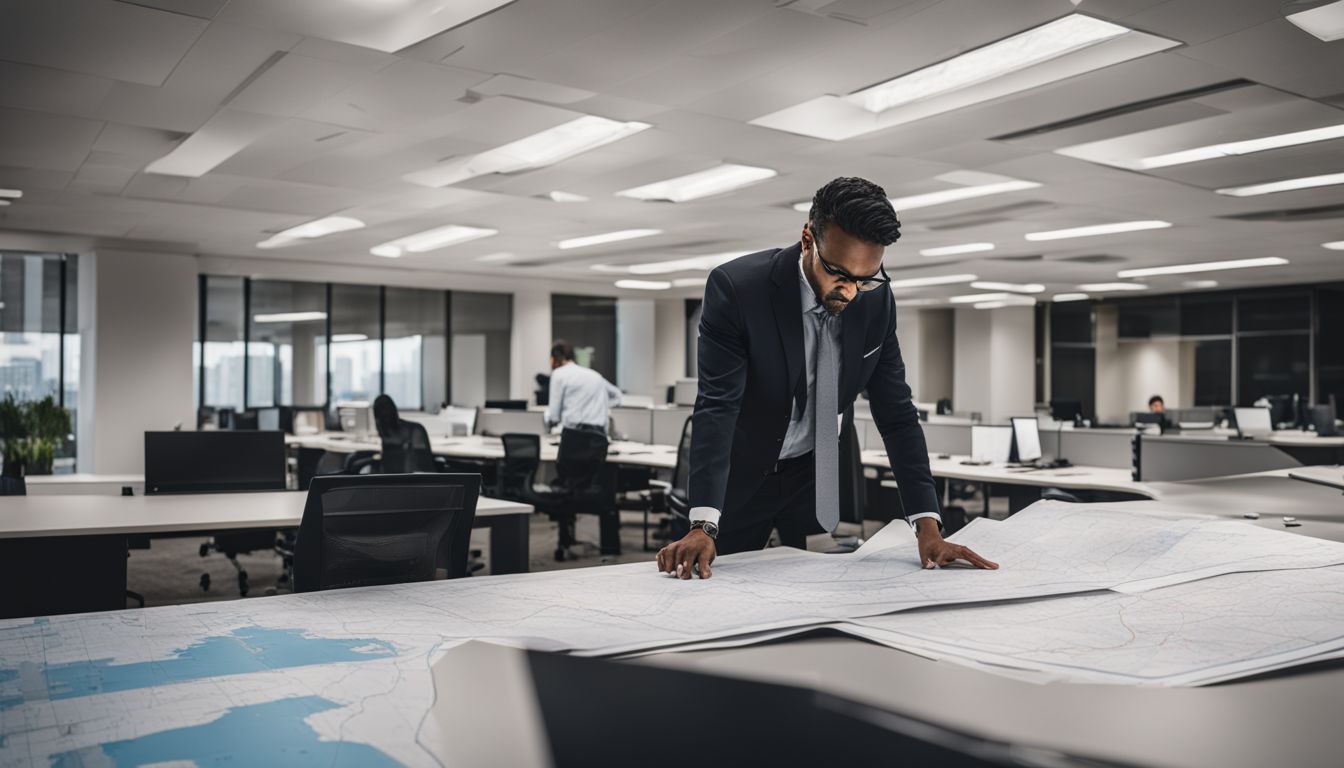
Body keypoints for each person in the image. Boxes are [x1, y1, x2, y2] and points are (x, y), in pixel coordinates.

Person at [657, 177, 997, 579]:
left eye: (865, 278)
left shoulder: (876, 300)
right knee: (720, 592)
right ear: (807, 240)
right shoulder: (738, 290)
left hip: (815, 478)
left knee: (822, 593)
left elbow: (897, 415)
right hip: (742, 477)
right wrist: (702, 524)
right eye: (838, 273)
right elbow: (717, 406)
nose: (851, 291)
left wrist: (928, 528)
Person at [543, 340, 622, 435]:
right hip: (599, 436)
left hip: (573, 435)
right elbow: (617, 396)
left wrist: (547, 416)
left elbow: (554, 417)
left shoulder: (558, 374)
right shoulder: (595, 375)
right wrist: (602, 405)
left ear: (554, 358)